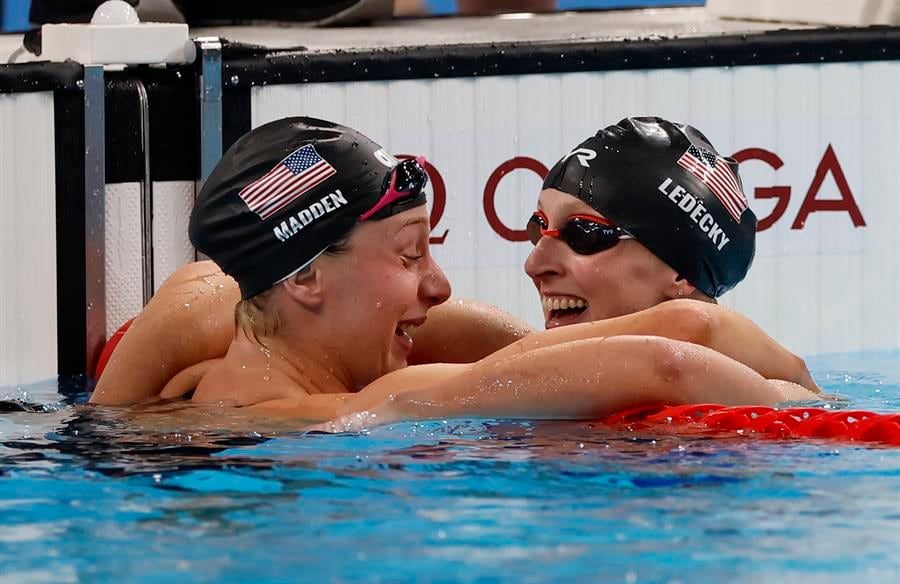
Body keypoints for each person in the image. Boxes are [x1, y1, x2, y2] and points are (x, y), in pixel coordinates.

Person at [90, 116, 816, 412]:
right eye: (411, 254)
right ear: (305, 277)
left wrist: (112, 416)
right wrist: (820, 413)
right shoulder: (360, 406)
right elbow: (670, 354)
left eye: (585, 233)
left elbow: (208, 284)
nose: (536, 260)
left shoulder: (257, 346)